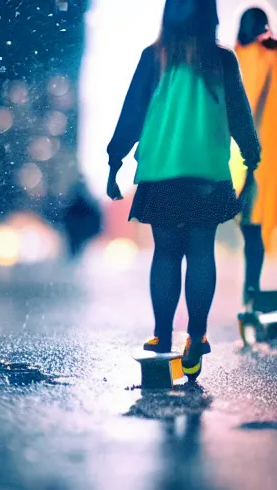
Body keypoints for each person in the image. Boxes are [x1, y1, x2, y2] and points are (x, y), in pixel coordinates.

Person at [106, 0, 261, 378]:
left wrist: (115, 160)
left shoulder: (154, 57)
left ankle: (162, 336)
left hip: (162, 170)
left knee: (166, 254)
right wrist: (251, 154)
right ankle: (196, 336)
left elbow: (133, 111)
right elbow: (239, 112)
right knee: (201, 251)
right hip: (207, 171)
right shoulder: (221, 60)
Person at [233, 7, 277, 307]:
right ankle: (251, 288)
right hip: (267, 156)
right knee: (257, 226)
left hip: (239, 157)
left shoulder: (231, 57)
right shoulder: (270, 55)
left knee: (251, 229)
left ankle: (251, 287)